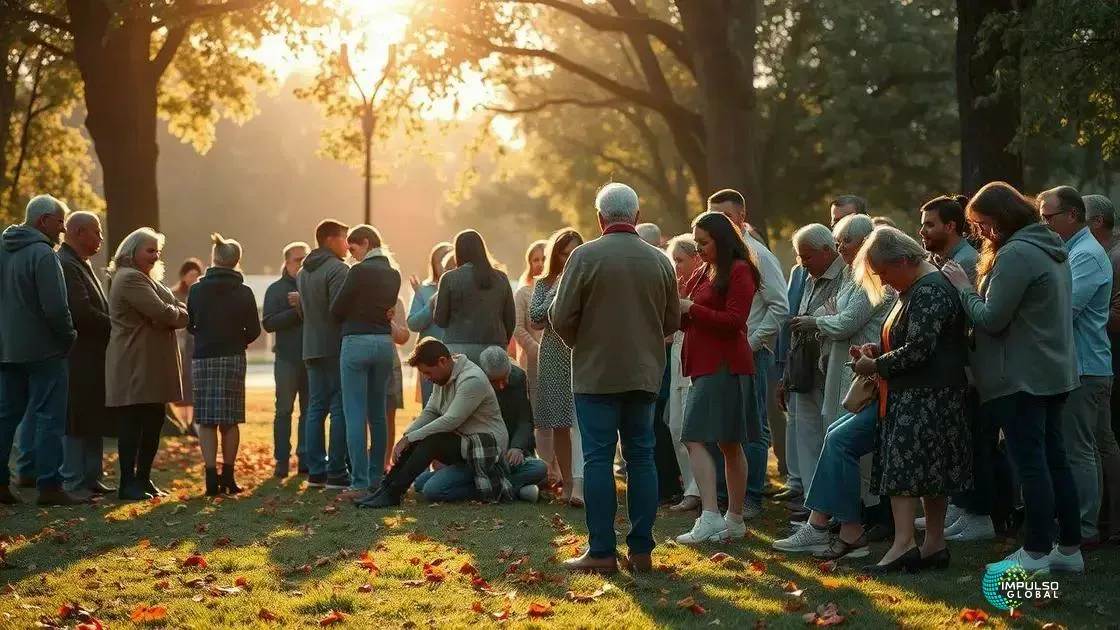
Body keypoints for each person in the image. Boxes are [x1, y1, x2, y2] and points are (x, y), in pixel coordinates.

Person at [942, 181, 1083, 574]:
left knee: (1032, 465)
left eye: (984, 224)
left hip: (1019, 377)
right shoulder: (1049, 249)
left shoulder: (1017, 254)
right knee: (1055, 461)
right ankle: (1069, 549)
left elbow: (991, 318)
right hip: (1051, 372)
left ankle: (1036, 551)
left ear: (1003, 218)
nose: (981, 233)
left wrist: (964, 288)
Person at [549, 182, 679, 573]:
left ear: (600, 218)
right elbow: (672, 320)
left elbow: (559, 316)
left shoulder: (585, 257)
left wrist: (581, 342)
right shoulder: (659, 260)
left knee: (597, 460)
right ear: (636, 217)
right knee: (642, 458)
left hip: (595, 373)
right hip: (643, 373)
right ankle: (641, 551)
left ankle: (602, 551)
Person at [848, 227, 970, 573]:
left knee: (904, 472)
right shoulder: (917, 288)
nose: (884, 282)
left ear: (903, 260)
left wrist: (876, 364)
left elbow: (920, 349)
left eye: (884, 272)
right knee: (930, 473)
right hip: (923, 392)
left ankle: (904, 545)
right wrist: (879, 350)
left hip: (925, 396)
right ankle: (933, 545)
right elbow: (911, 340)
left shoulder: (929, 290)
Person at [775, 214, 895, 560]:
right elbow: (836, 314)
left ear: (864, 242)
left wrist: (817, 321)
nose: (840, 247)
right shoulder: (852, 275)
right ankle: (834, 524)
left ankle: (842, 524)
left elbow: (843, 322)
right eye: (838, 242)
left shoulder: (867, 277)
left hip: (858, 373)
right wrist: (829, 318)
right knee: (837, 441)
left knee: (848, 447)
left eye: (844, 242)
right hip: (842, 369)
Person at [1038, 185, 1117, 545]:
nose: (1043, 223)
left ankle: (1084, 529)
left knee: (1079, 450)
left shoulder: (1084, 255)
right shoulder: (1075, 250)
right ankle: (1091, 523)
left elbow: (1065, 311)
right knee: (1087, 448)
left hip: (1085, 366)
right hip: (1085, 364)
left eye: (1048, 217)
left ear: (1072, 216)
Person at [920, 195, 1001, 541]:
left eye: (929, 224)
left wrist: (969, 368)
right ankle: (964, 509)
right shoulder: (946, 258)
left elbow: (973, 314)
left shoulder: (967, 261)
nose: (922, 230)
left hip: (972, 369)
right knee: (963, 440)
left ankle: (981, 515)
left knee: (978, 440)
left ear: (951, 226)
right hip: (958, 367)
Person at [675, 212, 760, 543]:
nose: (700, 248)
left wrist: (691, 309)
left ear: (723, 240)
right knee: (727, 443)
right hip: (704, 363)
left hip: (725, 364)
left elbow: (735, 320)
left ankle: (712, 513)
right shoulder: (704, 272)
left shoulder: (739, 271)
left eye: (704, 242)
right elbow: (690, 316)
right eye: (696, 242)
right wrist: (683, 309)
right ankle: (733, 519)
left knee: (694, 436)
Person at [707, 189, 791, 518]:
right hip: (723, 355)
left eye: (726, 216)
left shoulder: (757, 255)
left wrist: (751, 342)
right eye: (714, 216)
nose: (720, 223)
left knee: (753, 428)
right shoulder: (718, 259)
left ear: (741, 217)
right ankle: (729, 497)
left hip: (752, 353)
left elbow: (779, 306)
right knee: (727, 428)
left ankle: (753, 497)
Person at [357, 338, 510, 508]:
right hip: (465, 442)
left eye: (428, 373)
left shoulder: (472, 379)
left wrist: (410, 439)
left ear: (442, 362)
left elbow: (450, 421)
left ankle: (393, 493)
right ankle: (386, 489)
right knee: (423, 482)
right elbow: (431, 411)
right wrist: (406, 437)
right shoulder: (444, 377)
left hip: (486, 447)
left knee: (432, 453)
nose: (426, 378)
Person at [0, 195, 78, 505]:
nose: (62, 229)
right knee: (49, 417)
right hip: (44, 350)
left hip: (7, 350)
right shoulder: (44, 255)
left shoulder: (2, 250)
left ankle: (3, 483)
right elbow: (56, 308)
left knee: (6, 417)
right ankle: (50, 486)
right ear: (43, 221)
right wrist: (69, 334)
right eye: (60, 221)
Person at [105, 227, 190, 501]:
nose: (155, 256)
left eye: (158, 251)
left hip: (150, 364)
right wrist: (170, 315)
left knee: (153, 420)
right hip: (135, 363)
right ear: (132, 251)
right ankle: (128, 482)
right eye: (149, 250)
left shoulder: (147, 279)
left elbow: (176, 309)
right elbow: (165, 312)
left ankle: (143, 479)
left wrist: (171, 314)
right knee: (133, 423)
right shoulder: (130, 278)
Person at [414, 346, 548, 502]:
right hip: (475, 454)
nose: (502, 385)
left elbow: (524, 420)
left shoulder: (518, 378)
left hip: (506, 454)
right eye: (495, 382)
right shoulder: (470, 382)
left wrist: (516, 447)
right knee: (423, 485)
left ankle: (500, 485)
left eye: (505, 378)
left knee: (539, 468)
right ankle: (512, 488)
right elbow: (451, 421)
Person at [779, 224, 845, 512]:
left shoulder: (846, 274)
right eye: (800, 257)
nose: (803, 263)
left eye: (807, 256)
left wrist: (814, 322)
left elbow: (837, 317)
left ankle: (829, 505)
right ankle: (811, 501)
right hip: (804, 367)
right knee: (806, 436)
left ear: (827, 250)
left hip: (829, 368)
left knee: (828, 435)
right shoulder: (808, 276)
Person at [187, 234, 261, 495]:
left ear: (214, 259)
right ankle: (228, 475)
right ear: (236, 261)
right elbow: (254, 329)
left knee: (206, 419)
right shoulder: (244, 292)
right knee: (230, 419)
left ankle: (210, 476)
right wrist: (238, 339)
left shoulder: (196, 289)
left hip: (204, 356)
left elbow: (191, 324)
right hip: (232, 357)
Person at [332, 225, 402, 495]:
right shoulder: (394, 274)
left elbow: (337, 308)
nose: (351, 255)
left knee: (354, 413)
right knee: (378, 413)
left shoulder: (358, 272)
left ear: (365, 242)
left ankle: (359, 481)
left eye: (353, 249)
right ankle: (376, 477)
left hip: (356, 341)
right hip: (384, 343)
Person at [57, 212, 115, 499]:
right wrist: (113, 323)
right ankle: (73, 479)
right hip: (79, 353)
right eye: (97, 232)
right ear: (79, 233)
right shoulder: (67, 264)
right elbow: (81, 312)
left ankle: (92, 477)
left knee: (93, 415)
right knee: (77, 417)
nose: (101, 238)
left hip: (93, 354)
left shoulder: (82, 263)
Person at [530, 228, 586, 507]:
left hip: (582, 351)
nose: (569, 259)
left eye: (574, 253)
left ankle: (582, 484)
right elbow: (537, 318)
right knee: (560, 423)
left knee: (582, 420)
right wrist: (556, 289)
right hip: (553, 352)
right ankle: (567, 482)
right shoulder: (545, 282)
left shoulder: (588, 278)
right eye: (564, 254)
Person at [299, 219, 351, 489]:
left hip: (311, 346)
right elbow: (339, 309)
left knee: (315, 408)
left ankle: (316, 471)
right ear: (330, 240)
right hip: (334, 346)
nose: (348, 245)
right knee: (339, 407)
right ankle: (337, 471)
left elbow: (304, 310)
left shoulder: (304, 271)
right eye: (344, 238)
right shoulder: (338, 269)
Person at [1087, 193, 1120, 539]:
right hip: (1105, 354)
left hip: (1107, 356)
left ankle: (1109, 522)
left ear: (1097, 221)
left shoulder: (1113, 257)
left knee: (1104, 440)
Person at [262, 241, 310, 478]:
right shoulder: (276, 289)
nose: (301, 264)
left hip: (312, 357)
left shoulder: (313, 287)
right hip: (287, 359)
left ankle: (306, 458)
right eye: (297, 259)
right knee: (283, 411)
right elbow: (268, 323)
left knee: (309, 412)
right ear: (287, 262)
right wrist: (295, 312)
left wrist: (304, 304)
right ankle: (281, 460)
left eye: (305, 259)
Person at [433, 230, 515, 364]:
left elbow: (440, 320)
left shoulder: (449, 278)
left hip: (459, 349)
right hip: (494, 350)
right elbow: (510, 320)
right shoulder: (501, 278)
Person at [665, 235, 702, 512]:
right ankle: (688, 485)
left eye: (680, 260)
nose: (676, 266)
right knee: (675, 426)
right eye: (674, 260)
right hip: (677, 360)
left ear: (696, 258)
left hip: (696, 360)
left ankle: (698, 491)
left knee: (692, 428)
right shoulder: (676, 287)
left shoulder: (703, 286)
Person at [512, 240, 550, 479]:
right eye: (535, 259)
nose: (539, 264)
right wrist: (536, 349)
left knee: (558, 416)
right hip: (532, 360)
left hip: (560, 360)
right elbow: (517, 327)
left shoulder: (557, 288)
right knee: (538, 414)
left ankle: (558, 467)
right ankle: (545, 469)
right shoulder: (523, 292)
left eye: (543, 258)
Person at [407, 242, 453, 405]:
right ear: (433, 264)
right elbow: (413, 323)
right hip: (428, 356)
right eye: (441, 260)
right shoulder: (424, 290)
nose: (445, 264)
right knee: (431, 405)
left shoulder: (460, 286)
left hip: (453, 354)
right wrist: (430, 306)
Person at [171, 258, 203, 426]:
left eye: (196, 276)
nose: (193, 279)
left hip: (196, 343)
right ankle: (183, 421)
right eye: (191, 275)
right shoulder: (175, 294)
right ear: (184, 276)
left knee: (194, 382)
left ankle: (193, 422)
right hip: (180, 343)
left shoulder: (201, 295)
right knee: (182, 381)